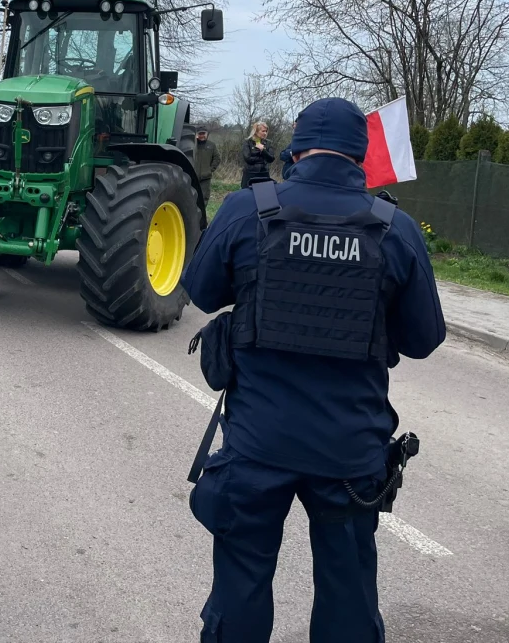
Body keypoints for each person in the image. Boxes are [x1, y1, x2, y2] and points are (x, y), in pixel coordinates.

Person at [180, 97, 446, 643]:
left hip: (257, 445)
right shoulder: (395, 229)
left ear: (296, 149)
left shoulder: (248, 209)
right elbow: (423, 340)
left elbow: (201, 292)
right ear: (361, 156)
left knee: (241, 589)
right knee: (348, 602)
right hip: (349, 453)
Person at [240, 120, 275, 188]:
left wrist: (263, 150)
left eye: (266, 131)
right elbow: (248, 159)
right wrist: (262, 159)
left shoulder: (268, 143)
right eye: (263, 131)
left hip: (263, 174)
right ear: (256, 131)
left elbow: (271, 159)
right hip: (250, 173)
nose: (265, 133)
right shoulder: (247, 142)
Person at [193, 126, 221, 203]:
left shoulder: (211, 145)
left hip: (205, 177)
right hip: (193, 176)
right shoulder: (192, 145)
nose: (202, 136)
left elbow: (217, 158)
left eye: (203, 133)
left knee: (204, 197)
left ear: (207, 134)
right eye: (200, 134)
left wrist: (210, 170)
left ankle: (202, 214)